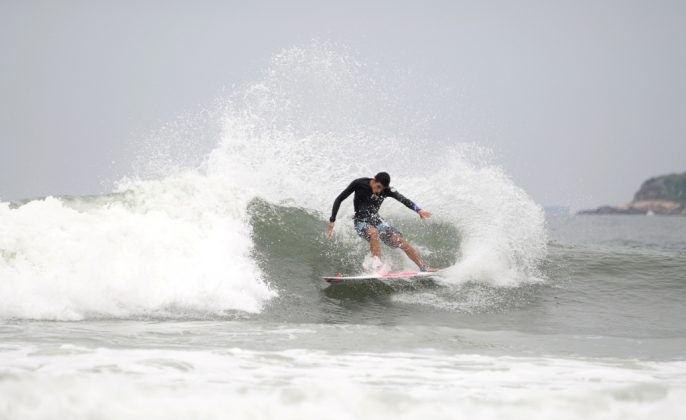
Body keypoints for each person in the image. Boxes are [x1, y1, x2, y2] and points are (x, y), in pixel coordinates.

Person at [327, 172, 436, 272]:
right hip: (360, 221)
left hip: (376, 220)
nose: (379, 190)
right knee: (373, 232)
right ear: (374, 180)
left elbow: (404, 200)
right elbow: (339, 199)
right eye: (378, 186)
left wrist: (419, 210)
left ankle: (423, 267)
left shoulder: (387, 190)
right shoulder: (359, 183)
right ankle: (377, 265)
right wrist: (332, 220)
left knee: (400, 241)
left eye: (382, 188)